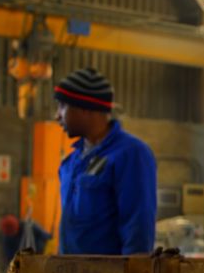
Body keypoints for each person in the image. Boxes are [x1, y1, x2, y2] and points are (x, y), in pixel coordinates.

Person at [54, 67, 157, 255]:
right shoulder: (72, 162)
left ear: (86, 108)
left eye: (62, 106)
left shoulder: (130, 155)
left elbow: (137, 226)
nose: (57, 116)